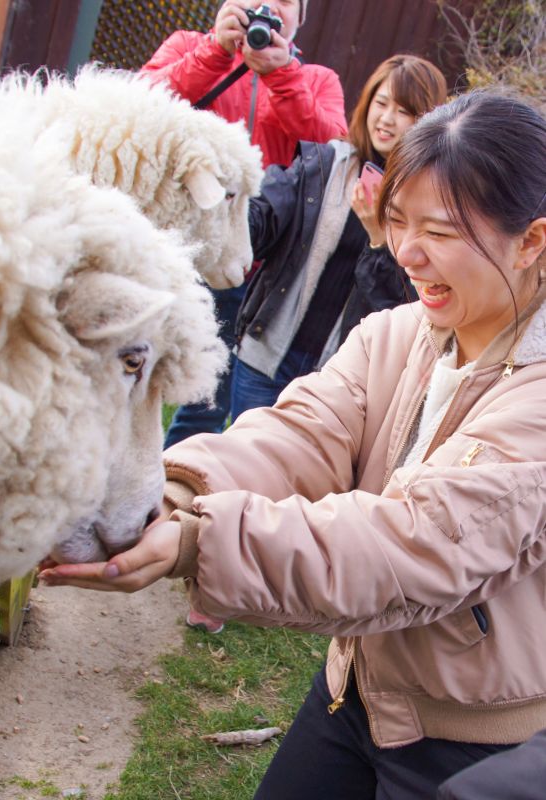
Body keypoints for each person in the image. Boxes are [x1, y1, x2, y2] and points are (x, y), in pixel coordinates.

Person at [40, 93, 546, 797]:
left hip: (471, 745)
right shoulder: (398, 336)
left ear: (531, 241)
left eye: (441, 230)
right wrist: (179, 492)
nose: (407, 251)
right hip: (354, 691)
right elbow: (300, 433)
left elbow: (421, 541)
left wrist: (197, 543)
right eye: (396, 221)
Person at [142, 0, 350, 446]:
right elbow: (143, 105)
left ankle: (175, 484)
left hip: (247, 261)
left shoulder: (316, 80)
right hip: (168, 248)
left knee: (208, 401)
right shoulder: (188, 47)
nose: (271, 8)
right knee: (132, 370)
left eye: (286, 2)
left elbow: (332, 146)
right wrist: (214, 52)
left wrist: (282, 76)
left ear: (300, 18)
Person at [227, 55, 448, 423]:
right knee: (239, 464)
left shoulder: (426, 203)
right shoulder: (326, 163)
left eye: (404, 110)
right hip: (267, 358)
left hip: (336, 380)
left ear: (426, 120)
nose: (387, 119)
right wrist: (231, 194)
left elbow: (402, 307)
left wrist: (380, 237)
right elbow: (262, 224)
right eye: (381, 103)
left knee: (297, 479)